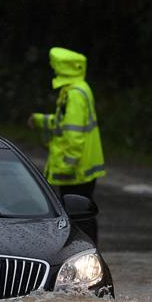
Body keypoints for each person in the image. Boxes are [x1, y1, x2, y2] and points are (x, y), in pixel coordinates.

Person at [28, 47, 105, 243]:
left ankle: (85, 253)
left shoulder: (74, 94)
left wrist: (67, 166)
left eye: (56, 68)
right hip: (83, 167)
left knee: (78, 213)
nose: (54, 71)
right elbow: (64, 123)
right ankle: (87, 250)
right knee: (82, 210)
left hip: (76, 170)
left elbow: (74, 133)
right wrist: (39, 120)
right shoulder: (78, 89)